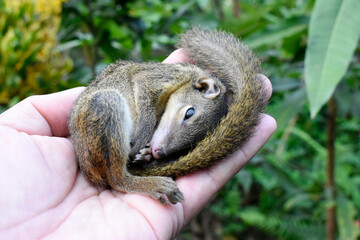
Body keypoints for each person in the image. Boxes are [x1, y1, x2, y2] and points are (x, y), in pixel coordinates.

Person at [0, 49, 276, 239]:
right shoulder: (182, 77)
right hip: (100, 134)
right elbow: (141, 83)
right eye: (189, 113)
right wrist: (144, 134)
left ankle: (127, 173)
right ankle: (124, 179)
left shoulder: (178, 99)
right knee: (104, 103)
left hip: (114, 149)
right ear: (203, 87)